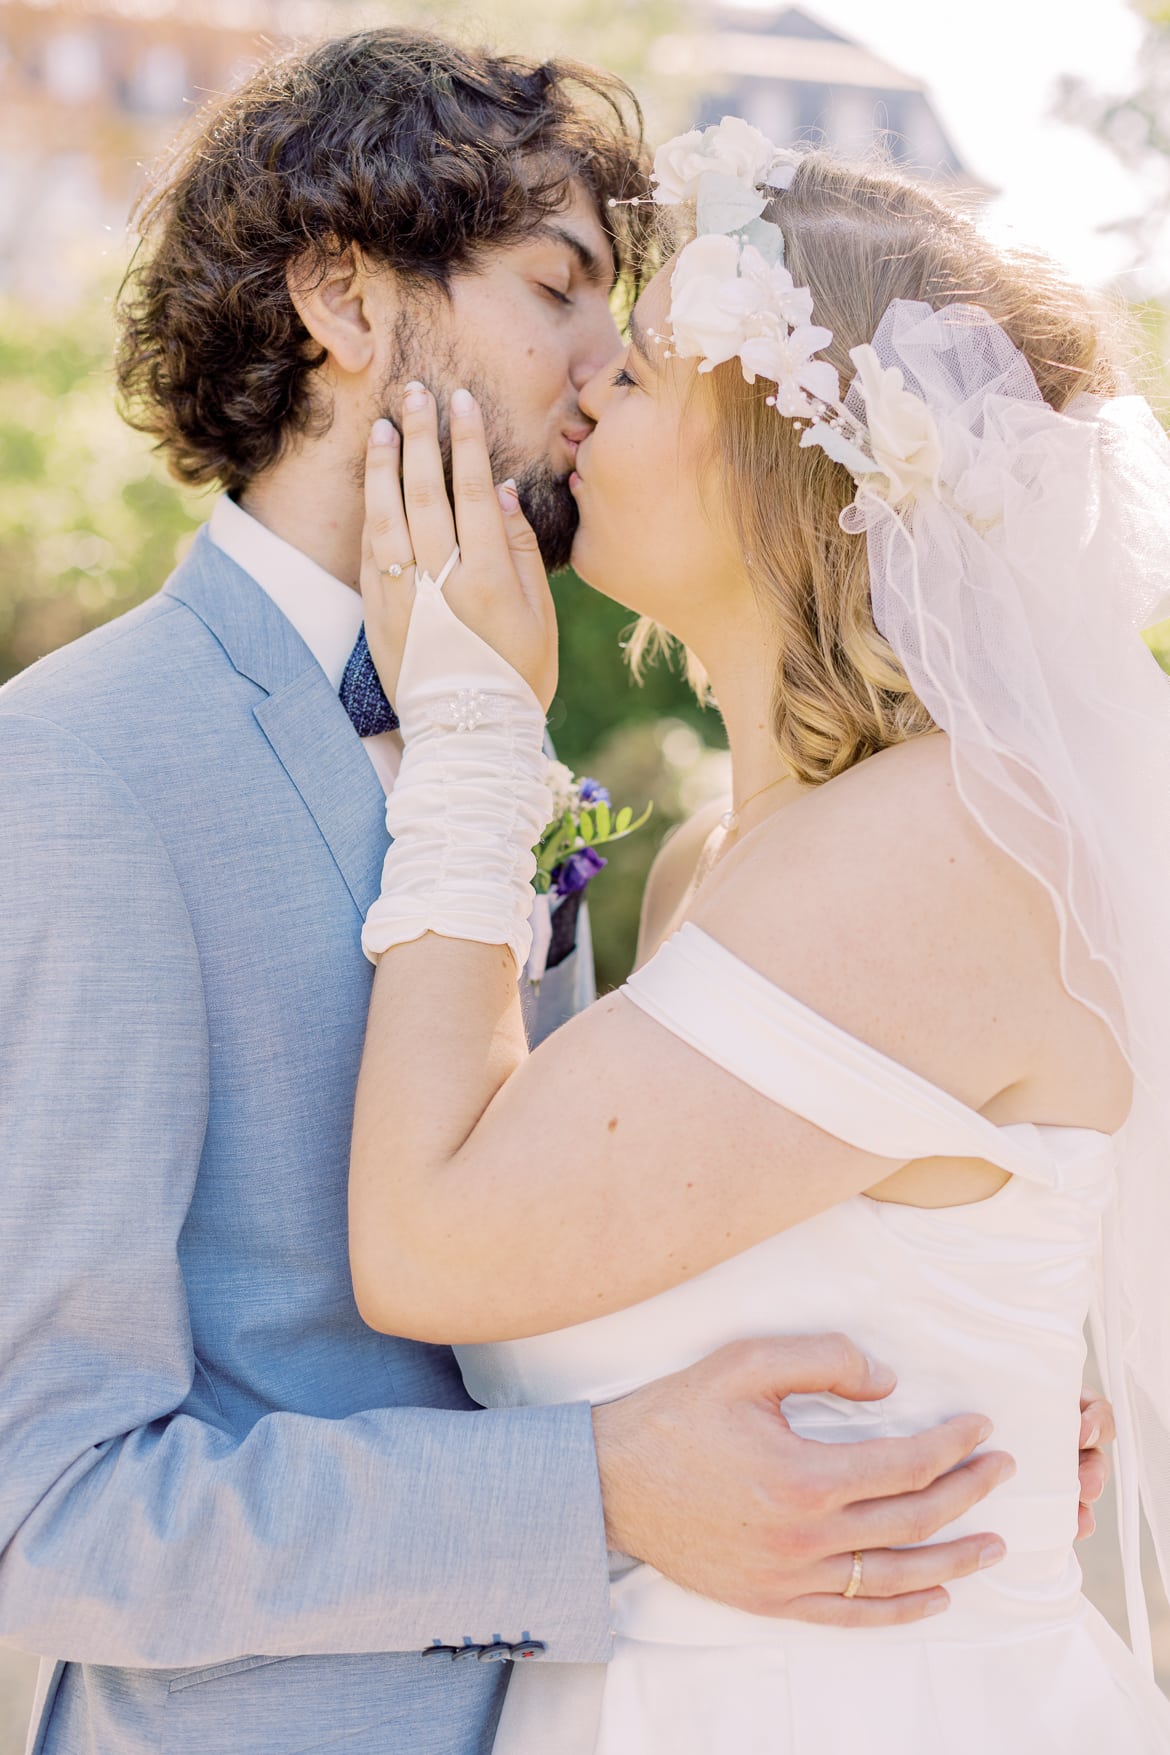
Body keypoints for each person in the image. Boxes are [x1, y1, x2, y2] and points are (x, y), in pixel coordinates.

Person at [0, 38, 1071, 1755]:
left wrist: (958, 1402)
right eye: (561, 290)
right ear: (344, 297)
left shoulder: (503, 717)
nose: (607, 369)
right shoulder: (81, 770)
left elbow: (590, 1241)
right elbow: (39, 1516)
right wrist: (594, 1494)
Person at [347, 120, 1170, 1751]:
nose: (580, 394)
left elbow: (427, 1249)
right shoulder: (720, 857)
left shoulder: (947, 841)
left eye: (641, 374)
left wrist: (467, 739)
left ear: (784, 457)